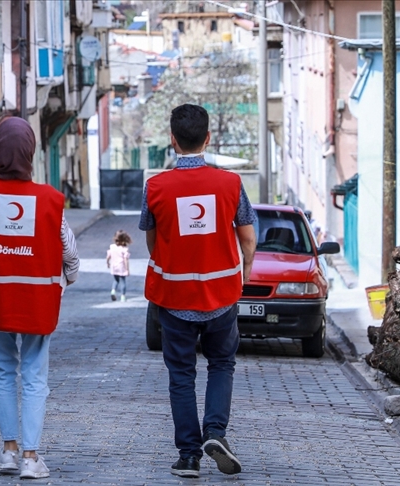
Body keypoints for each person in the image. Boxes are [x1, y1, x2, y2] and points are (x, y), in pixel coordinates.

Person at [139, 104, 257, 478]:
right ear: (208, 139)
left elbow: (153, 241)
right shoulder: (230, 184)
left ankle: (189, 456)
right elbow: (249, 239)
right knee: (222, 364)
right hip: (222, 296)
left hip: (174, 300)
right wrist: (244, 271)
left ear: (172, 140)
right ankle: (216, 432)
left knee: (181, 374)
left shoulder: (155, 187)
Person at [0, 117, 80, 480]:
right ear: (30, 153)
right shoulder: (49, 199)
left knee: (3, 372)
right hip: (37, 303)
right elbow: (68, 249)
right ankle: (31, 458)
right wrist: (70, 276)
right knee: (34, 376)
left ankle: (8, 452)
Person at [106, 230, 132, 302]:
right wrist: (127, 269)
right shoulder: (124, 249)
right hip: (121, 267)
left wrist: (108, 263)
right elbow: (126, 260)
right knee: (123, 281)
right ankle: (123, 296)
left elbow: (108, 256)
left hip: (114, 266)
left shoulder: (112, 247)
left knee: (116, 280)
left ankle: (113, 291)